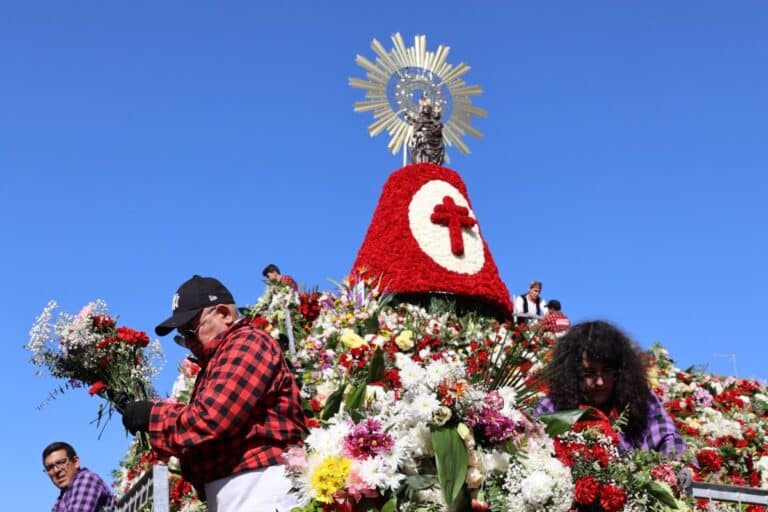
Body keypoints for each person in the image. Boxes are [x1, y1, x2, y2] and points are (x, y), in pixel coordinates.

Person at [120, 275, 307, 512]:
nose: (189, 343)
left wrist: (152, 416)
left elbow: (211, 418)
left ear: (225, 314)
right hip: (238, 493)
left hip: (261, 489)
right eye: (183, 337)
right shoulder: (216, 361)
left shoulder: (247, 343)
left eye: (191, 331)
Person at [534, 320, 686, 458]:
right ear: (573, 373)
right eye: (589, 373)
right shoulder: (554, 406)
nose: (599, 382)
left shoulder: (639, 397)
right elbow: (534, 441)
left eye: (607, 371)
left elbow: (667, 435)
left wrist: (675, 461)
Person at [42, 441, 115, 512]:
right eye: (50, 468)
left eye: (61, 462)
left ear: (76, 462)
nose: (56, 470)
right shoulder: (59, 502)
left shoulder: (85, 479)